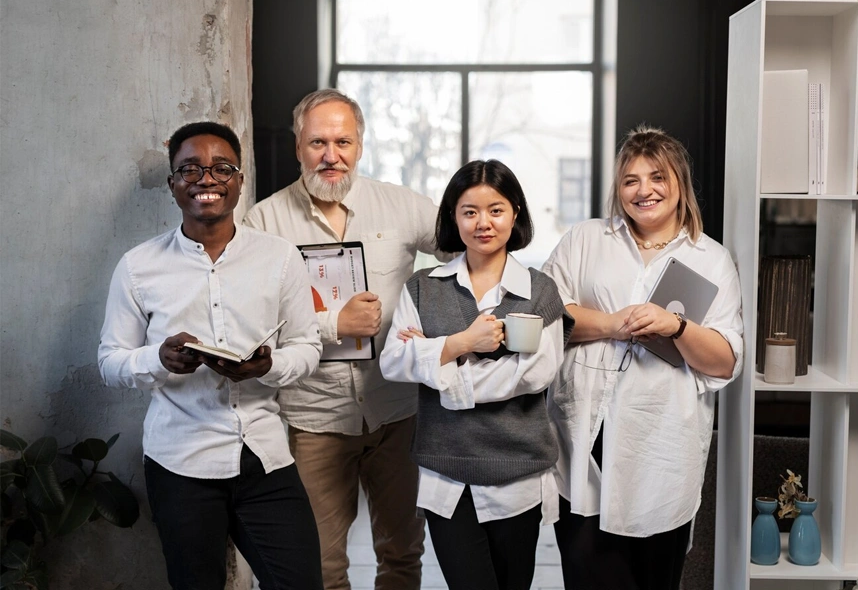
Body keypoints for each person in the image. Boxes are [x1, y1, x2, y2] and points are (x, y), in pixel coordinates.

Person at [98, 122, 324, 590]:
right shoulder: (138, 266)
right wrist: (158, 360)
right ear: (173, 184)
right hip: (179, 463)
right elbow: (110, 360)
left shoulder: (280, 258)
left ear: (239, 181)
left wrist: (268, 366)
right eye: (190, 169)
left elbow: (307, 347)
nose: (206, 180)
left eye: (222, 168)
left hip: (264, 457)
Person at [243, 89, 447, 590]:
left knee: (402, 553)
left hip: (398, 412)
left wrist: (439, 325)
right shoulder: (263, 223)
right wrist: (333, 323)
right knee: (321, 565)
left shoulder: (402, 205)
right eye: (318, 142)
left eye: (343, 142)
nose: (330, 155)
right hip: (314, 419)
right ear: (298, 147)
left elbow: (471, 253)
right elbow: (252, 324)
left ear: (359, 146)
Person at [541, 125, 744, 590]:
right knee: (587, 574)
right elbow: (547, 313)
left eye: (657, 177)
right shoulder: (585, 239)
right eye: (630, 180)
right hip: (584, 437)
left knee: (654, 577)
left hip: (660, 448)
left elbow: (725, 361)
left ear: (680, 185)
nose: (644, 190)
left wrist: (677, 327)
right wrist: (615, 323)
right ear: (618, 188)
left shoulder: (711, 259)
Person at [380, 159, 573, 590]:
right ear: (453, 217)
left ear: (516, 213)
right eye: (469, 211)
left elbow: (536, 373)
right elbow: (393, 361)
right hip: (445, 474)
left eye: (496, 209)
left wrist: (438, 365)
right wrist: (462, 344)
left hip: (517, 471)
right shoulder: (423, 287)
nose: (483, 222)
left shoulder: (540, 291)